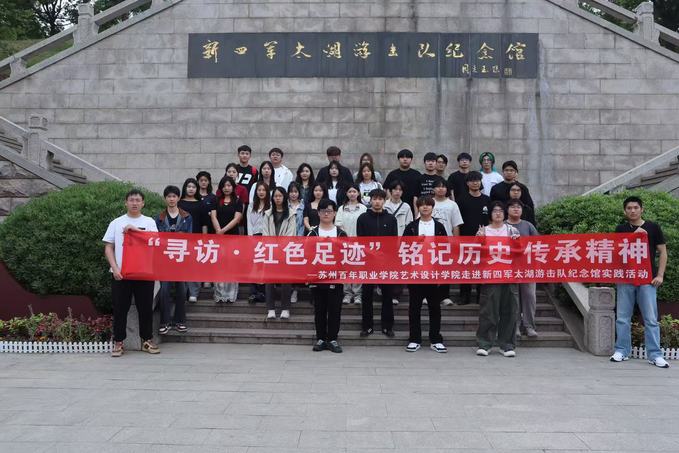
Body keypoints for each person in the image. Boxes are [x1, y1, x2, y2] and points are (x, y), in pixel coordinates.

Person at [611, 196, 670, 368]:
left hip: (647, 279)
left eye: (636, 207)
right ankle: (622, 350)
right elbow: (616, 251)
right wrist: (633, 236)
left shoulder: (653, 227)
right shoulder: (621, 229)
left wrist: (660, 275)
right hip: (626, 277)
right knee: (623, 317)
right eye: (629, 208)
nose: (632, 211)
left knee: (650, 318)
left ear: (642, 209)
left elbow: (663, 252)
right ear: (625, 211)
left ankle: (655, 355)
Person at [103, 188, 159, 357]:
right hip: (121, 274)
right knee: (120, 309)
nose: (134, 203)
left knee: (145, 308)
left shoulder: (149, 222)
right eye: (131, 200)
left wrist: (135, 230)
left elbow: (155, 242)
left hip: (144, 273)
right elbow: (108, 247)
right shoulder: (116, 222)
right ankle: (118, 342)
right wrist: (115, 268)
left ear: (143, 203)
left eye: (138, 200)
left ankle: (147, 340)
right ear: (126, 203)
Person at [475, 201, 520, 358]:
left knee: (510, 311)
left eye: (501, 210)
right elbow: (476, 253)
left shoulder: (511, 230)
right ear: (490, 214)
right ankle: (484, 344)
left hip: (509, 275)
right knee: (488, 311)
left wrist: (516, 242)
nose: (498, 213)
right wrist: (480, 239)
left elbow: (519, 252)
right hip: (490, 276)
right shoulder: (484, 230)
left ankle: (507, 345)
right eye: (495, 211)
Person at [403, 196, 448, 353]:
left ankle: (436, 339)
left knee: (435, 308)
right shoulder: (412, 227)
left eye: (428, 205)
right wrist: (415, 242)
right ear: (418, 208)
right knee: (414, 308)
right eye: (421, 205)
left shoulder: (439, 226)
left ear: (432, 207)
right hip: (416, 273)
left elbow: (446, 248)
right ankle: (414, 339)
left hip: (433, 273)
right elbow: (403, 246)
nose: (425, 207)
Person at [308, 198, 347, 353]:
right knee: (319, 309)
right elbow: (307, 255)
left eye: (329, 211)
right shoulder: (312, 233)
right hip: (317, 277)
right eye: (323, 211)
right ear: (318, 213)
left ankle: (332, 339)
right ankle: (320, 338)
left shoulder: (341, 233)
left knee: (335, 309)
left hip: (335, 277)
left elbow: (346, 255)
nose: (326, 214)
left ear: (335, 213)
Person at [357, 189, 398, 338]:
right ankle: (367, 326)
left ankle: (387, 326)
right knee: (367, 295)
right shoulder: (363, 218)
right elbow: (360, 240)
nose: (377, 202)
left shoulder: (391, 219)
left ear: (384, 201)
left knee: (387, 295)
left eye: (380, 199)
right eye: (374, 199)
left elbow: (394, 241)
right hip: (368, 262)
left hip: (386, 263)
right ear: (370, 200)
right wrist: (372, 253)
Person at [155, 185, 192, 335]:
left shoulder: (187, 217)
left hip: (181, 259)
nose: (171, 199)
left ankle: (180, 321)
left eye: (174, 196)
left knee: (182, 290)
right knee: (164, 291)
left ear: (178, 198)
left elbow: (190, 238)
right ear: (165, 198)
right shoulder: (159, 218)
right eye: (169, 196)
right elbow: (156, 238)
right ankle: (164, 322)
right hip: (164, 259)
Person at [262, 187, 298, 320]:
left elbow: (291, 234)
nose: (277, 198)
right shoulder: (267, 214)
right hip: (270, 251)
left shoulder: (291, 214)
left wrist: (281, 247)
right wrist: (272, 247)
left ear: (284, 197)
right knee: (269, 281)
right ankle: (270, 309)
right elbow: (265, 232)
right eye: (275, 196)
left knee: (286, 280)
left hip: (285, 251)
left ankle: (285, 308)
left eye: (280, 196)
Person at [505, 199, 539, 338]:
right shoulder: (502, 226)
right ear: (507, 210)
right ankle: (515, 326)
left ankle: (529, 326)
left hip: (527, 268)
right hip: (509, 268)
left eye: (518, 207)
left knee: (529, 297)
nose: (516, 209)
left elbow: (538, 244)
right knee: (513, 298)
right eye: (513, 207)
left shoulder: (528, 225)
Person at [457, 171, 490, 305]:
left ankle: (480, 296)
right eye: (472, 180)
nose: (475, 183)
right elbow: (457, 221)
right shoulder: (461, 199)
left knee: (482, 267)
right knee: (466, 267)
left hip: (484, 240)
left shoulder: (487, 199)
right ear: (467, 183)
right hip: (466, 239)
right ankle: (464, 296)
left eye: (477, 180)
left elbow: (490, 220)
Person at [211, 176, 243, 303]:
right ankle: (219, 295)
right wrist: (218, 230)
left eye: (229, 185)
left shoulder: (238, 201)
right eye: (224, 186)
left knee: (231, 264)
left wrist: (223, 230)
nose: (226, 188)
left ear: (233, 187)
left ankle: (230, 295)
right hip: (218, 237)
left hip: (232, 237)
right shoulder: (216, 200)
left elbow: (237, 219)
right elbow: (213, 216)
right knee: (219, 264)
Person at [432, 178, 463, 306]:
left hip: (447, 242)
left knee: (445, 269)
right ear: (433, 189)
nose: (441, 189)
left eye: (443, 186)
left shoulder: (452, 205)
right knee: (431, 269)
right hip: (430, 243)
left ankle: (444, 296)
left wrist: (455, 242)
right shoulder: (428, 202)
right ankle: (429, 295)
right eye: (438, 186)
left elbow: (456, 225)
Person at [335, 183, 367, 305]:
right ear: (346, 194)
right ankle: (347, 294)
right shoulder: (341, 208)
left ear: (358, 193)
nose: (352, 194)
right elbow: (338, 224)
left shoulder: (363, 208)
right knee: (345, 269)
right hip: (345, 244)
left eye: (354, 191)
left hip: (359, 244)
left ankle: (358, 295)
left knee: (358, 269)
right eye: (350, 192)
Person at [384, 179, 413, 306]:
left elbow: (409, 225)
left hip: (401, 241)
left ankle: (396, 294)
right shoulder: (384, 205)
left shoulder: (406, 207)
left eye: (400, 190)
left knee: (399, 268)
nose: (397, 192)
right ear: (390, 191)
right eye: (395, 189)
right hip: (386, 241)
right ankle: (384, 290)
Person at [178, 178, 206, 303]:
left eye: (193, 187)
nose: (191, 189)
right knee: (182, 266)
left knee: (194, 266)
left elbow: (204, 223)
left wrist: (204, 239)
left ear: (197, 189)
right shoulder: (179, 203)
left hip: (196, 239)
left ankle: (194, 292)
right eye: (189, 186)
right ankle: (182, 292)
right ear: (185, 188)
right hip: (181, 239)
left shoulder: (200, 204)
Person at [246, 181, 270, 304]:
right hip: (254, 238)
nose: (261, 192)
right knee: (254, 265)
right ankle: (253, 292)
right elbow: (249, 222)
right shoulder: (251, 205)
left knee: (264, 266)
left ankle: (263, 292)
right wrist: (250, 238)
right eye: (259, 190)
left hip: (266, 238)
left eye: (263, 190)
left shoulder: (270, 206)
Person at [383, 149, 421, 215]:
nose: (405, 159)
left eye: (407, 157)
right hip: (394, 208)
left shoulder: (417, 175)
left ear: (411, 159)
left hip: (412, 208)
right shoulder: (392, 174)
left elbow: (419, 193)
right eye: (402, 157)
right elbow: (386, 190)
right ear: (398, 159)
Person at [288, 182, 306, 304]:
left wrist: (300, 239)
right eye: (291, 192)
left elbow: (303, 224)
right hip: (286, 240)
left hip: (299, 241)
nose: (293, 194)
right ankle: (287, 289)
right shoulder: (285, 205)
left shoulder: (304, 206)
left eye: (295, 192)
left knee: (297, 267)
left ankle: (295, 290)